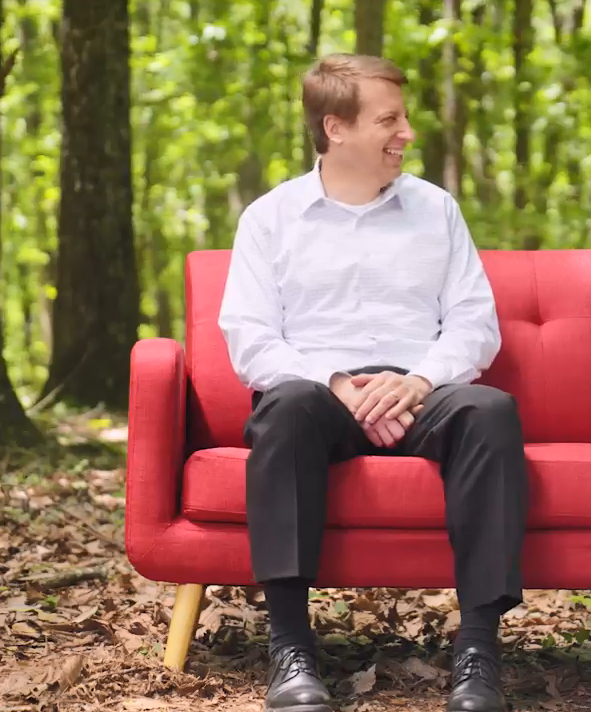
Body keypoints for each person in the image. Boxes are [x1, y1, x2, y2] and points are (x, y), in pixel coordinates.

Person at [217, 53, 527, 712]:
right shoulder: (269, 220)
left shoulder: (436, 210)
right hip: (320, 394)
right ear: (335, 128)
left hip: (421, 392)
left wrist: (417, 382)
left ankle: (477, 655)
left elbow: (475, 326)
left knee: (490, 410)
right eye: (389, 120)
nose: (407, 133)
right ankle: (291, 650)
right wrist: (338, 384)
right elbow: (250, 339)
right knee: (286, 406)